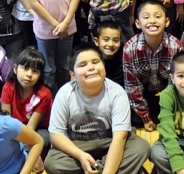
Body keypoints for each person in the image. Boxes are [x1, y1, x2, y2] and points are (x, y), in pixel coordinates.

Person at [44, 44, 150, 174]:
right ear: (72, 74)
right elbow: (56, 135)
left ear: (103, 66)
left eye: (95, 62)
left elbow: (119, 138)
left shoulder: (117, 92)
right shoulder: (65, 93)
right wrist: (80, 156)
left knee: (140, 147)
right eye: (82, 65)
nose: (91, 68)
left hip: (110, 142)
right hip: (79, 145)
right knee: (52, 162)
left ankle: (95, 170)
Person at [123, 0, 184, 131]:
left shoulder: (176, 46)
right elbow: (133, 87)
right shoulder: (129, 49)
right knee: (132, 118)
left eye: (157, 16)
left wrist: (168, 113)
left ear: (167, 21)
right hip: (144, 94)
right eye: (146, 17)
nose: (152, 21)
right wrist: (145, 118)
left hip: (167, 95)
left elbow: (176, 85)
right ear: (138, 23)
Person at [1, 48, 53, 171]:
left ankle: (27, 159)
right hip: (14, 126)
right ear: (15, 68)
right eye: (25, 68)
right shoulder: (8, 86)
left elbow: (30, 128)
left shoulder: (44, 94)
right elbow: (5, 119)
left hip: (38, 129)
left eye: (35, 71)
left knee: (41, 139)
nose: (29, 74)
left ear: (40, 75)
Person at [94, 20, 126, 86]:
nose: (111, 44)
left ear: (120, 42)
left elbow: (117, 86)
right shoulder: (90, 55)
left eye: (116, 40)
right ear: (96, 41)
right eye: (106, 40)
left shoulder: (124, 58)